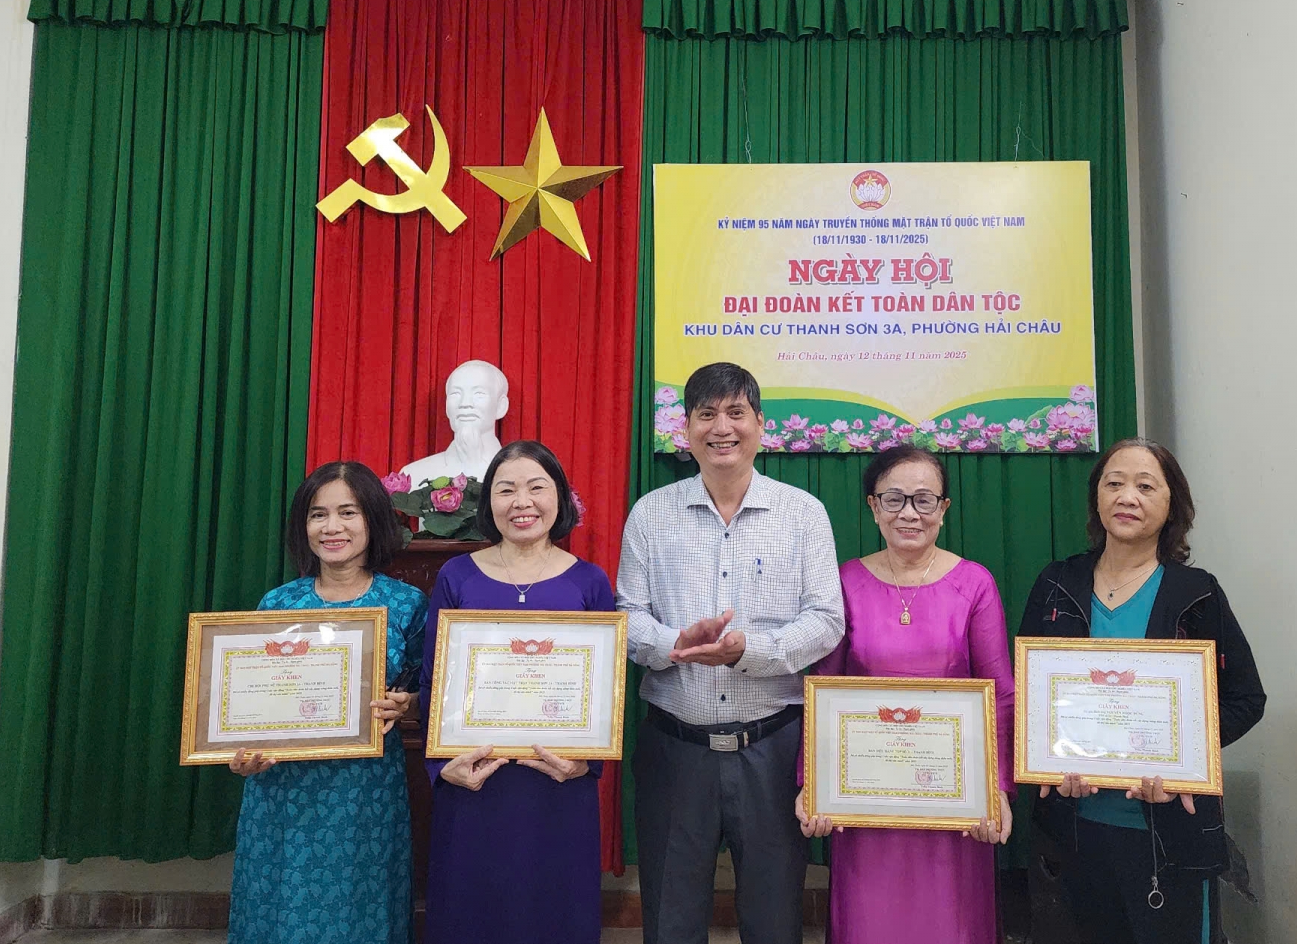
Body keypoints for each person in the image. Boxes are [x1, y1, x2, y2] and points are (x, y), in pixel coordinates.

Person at [618, 362, 846, 944]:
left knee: (774, 922)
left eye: (736, 413)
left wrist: (752, 651)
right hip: (675, 750)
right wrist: (675, 644)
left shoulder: (803, 513)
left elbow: (827, 621)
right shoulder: (650, 514)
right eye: (707, 414)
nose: (722, 428)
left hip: (772, 750)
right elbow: (627, 618)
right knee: (671, 922)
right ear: (685, 429)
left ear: (761, 425)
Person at [1018, 438, 1266, 944]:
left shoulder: (1196, 593)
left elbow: (1246, 699)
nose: (1127, 496)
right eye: (1114, 483)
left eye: (1146, 486)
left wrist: (1185, 764)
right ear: (1097, 498)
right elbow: (1028, 693)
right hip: (1074, 830)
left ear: (1173, 505)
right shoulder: (1057, 583)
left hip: (1168, 836)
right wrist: (1046, 759)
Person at [795, 445, 1015, 944]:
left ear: (945, 508)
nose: (909, 513)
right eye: (894, 499)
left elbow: (1000, 694)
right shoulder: (845, 581)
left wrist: (997, 789)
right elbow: (821, 689)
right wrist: (813, 782)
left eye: (924, 499)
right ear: (873, 507)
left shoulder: (975, 583)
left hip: (955, 804)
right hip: (864, 802)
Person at [417, 440, 616, 944]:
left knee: (555, 912)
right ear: (489, 503)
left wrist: (587, 764)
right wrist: (441, 767)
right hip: (475, 779)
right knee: (471, 914)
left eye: (536, 487)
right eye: (506, 490)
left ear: (560, 498)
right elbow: (432, 679)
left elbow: (607, 690)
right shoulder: (456, 575)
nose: (521, 502)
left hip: (558, 781)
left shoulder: (590, 581)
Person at [227, 461, 428, 944]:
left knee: (362, 908)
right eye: (318, 514)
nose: (331, 527)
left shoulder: (406, 604)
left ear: (372, 521)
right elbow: (248, 704)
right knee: (279, 909)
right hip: (282, 788)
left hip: (366, 793)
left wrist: (407, 704)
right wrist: (241, 753)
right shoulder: (277, 604)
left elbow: (431, 698)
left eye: (347, 512)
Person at [400, 359, 510, 483]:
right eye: (455, 394)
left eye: (479, 394)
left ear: (501, 406)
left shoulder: (522, 472)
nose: (465, 403)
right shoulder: (414, 475)